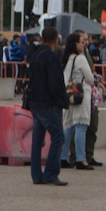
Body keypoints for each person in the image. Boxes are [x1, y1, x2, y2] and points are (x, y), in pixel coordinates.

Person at [26, 25, 67, 186]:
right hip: (48, 103)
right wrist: (61, 99)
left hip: (35, 101)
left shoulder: (35, 56)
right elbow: (55, 83)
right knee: (58, 137)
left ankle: (36, 174)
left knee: (37, 139)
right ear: (56, 40)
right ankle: (51, 172)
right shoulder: (51, 58)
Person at [61, 32, 96, 171]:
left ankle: (62, 157)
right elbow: (90, 78)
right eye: (82, 41)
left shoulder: (66, 58)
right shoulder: (80, 59)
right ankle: (81, 159)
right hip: (81, 95)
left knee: (68, 127)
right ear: (75, 43)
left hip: (68, 94)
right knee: (81, 126)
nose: (84, 43)